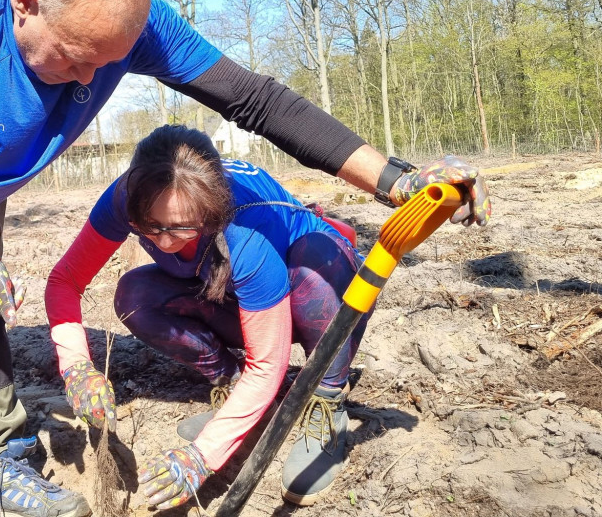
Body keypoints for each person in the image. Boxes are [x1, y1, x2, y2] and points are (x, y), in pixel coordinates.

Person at [0, 0, 490, 517]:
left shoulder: (128, 23)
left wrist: (397, 180)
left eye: (110, 65)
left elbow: (256, 101)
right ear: (24, 4)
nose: (88, 85)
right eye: (74, 60)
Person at [45, 125, 490, 510]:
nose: (163, 241)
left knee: (315, 265)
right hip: (235, 293)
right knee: (135, 293)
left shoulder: (244, 230)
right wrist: (77, 365)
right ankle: (231, 387)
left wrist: (203, 455)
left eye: (181, 228)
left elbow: (269, 364)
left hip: (318, 295)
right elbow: (64, 280)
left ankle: (327, 401)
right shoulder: (125, 199)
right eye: (151, 227)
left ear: (211, 208)